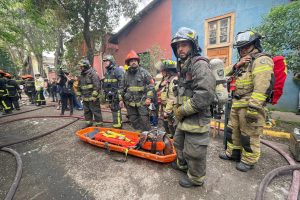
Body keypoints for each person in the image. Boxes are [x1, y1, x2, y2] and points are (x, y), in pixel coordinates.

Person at [219, 30, 274, 172]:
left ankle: (249, 160)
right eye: (241, 48)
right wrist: (237, 65)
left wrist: (253, 108)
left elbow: (262, 87)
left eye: (246, 46)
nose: (243, 50)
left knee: (249, 134)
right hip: (237, 103)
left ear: (255, 45)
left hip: (250, 105)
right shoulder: (243, 62)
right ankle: (234, 153)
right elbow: (222, 73)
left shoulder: (261, 60)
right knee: (233, 131)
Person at [170, 27, 216, 187]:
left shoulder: (199, 65)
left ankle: (196, 179)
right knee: (179, 143)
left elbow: (204, 95)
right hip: (184, 118)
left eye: (184, 45)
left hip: (196, 118)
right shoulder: (183, 66)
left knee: (195, 151)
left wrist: (181, 111)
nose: (180, 48)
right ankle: (183, 166)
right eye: (177, 46)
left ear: (193, 46)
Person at [119, 50, 155, 132]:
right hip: (130, 102)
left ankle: (148, 135)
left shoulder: (144, 72)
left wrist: (149, 98)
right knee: (133, 119)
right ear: (128, 63)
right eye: (131, 61)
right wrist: (120, 99)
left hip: (142, 102)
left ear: (137, 62)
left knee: (144, 119)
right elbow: (121, 87)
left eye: (135, 60)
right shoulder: (126, 74)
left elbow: (151, 85)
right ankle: (139, 134)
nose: (133, 62)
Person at [76, 59, 103, 127]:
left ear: (86, 66)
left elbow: (97, 86)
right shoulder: (81, 75)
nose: (80, 68)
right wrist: (78, 95)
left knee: (96, 111)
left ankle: (99, 125)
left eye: (81, 66)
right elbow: (79, 86)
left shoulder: (93, 73)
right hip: (85, 98)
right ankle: (88, 123)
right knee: (87, 112)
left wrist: (94, 96)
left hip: (92, 98)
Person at [155, 59, 178, 138]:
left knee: (172, 125)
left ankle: (174, 140)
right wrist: (161, 84)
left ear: (169, 71)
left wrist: (167, 111)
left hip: (171, 108)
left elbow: (172, 97)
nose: (162, 72)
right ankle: (170, 138)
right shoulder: (165, 79)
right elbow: (155, 89)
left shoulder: (174, 80)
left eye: (163, 71)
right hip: (165, 106)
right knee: (166, 124)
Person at [102, 54, 124, 128]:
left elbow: (122, 84)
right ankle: (117, 123)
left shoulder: (118, 70)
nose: (105, 63)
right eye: (104, 61)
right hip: (110, 95)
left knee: (116, 110)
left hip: (116, 95)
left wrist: (120, 96)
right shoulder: (108, 72)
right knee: (114, 110)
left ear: (111, 61)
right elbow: (105, 84)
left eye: (107, 61)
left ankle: (117, 126)